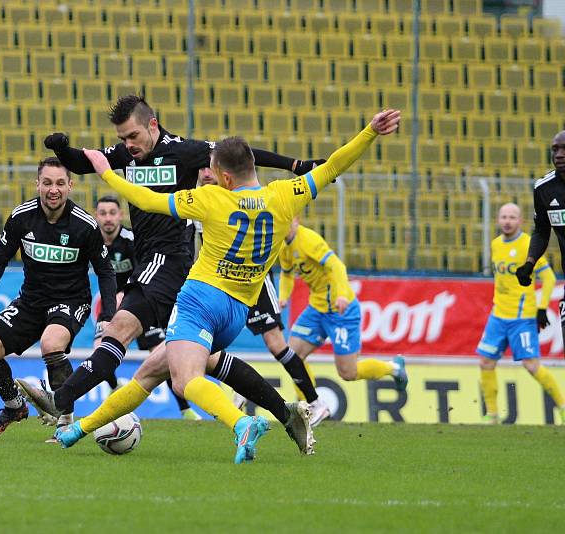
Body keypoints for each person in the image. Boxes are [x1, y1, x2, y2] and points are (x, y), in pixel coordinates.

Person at [40, 110, 401, 463]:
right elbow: (335, 164)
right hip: (237, 311)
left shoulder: (211, 200)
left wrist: (107, 174)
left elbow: (146, 200)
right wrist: (369, 132)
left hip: (201, 300)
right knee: (151, 371)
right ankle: (78, 430)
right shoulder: (285, 196)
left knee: (185, 380)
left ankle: (241, 422)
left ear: (224, 177)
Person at [31, 94, 324, 421]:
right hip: (155, 263)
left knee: (120, 328)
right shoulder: (126, 156)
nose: (128, 144)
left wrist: (295, 166)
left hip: (168, 258)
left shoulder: (184, 151)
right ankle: (287, 414)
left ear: (152, 125)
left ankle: (62, 399)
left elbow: (242, 157)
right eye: (122, 139)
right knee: (202, 359)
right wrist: (62, 150)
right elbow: (87, 161)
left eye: (133, 135)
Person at [0, 157, 117, 438]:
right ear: (37, 184)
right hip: (31, 302)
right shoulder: (21, 217)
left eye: (60, 183)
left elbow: (106, 272)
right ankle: (14, 406)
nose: (54, 190)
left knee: (51, 343)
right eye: (48, 183)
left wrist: (108, 315)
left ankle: (65, 421)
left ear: (70, 186)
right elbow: (0, 255)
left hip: (72, 301)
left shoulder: (85, 225)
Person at [196, 167, 328, 426]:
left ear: (223, 172)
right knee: (212, 338)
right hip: (223, 280)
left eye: (209, 167)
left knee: (276, 344)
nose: (205, 172)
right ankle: (235, 395)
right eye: (200, 168)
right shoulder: (203, 199)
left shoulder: (236, 194)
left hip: (253, 279)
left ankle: (315, 402)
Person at [95, 195, 201, 420]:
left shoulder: (131, 240)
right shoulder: (92, 240)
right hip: (112, 305)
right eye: (103, 213)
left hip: (141, 298)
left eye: (112, 213)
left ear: (121, 215)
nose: (108, 219)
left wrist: (125, 291)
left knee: (162, 354)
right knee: (99, 349)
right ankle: (115, 387)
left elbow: (145, 267)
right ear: (97, 216)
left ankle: (185, 409)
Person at [279, 217, 408, 397]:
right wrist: (283, 297)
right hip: (317, 308)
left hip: (341, 311)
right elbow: (286, 274)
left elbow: (336, 265)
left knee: (348, 372)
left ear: (296, 221)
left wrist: (340, 294)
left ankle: (394, 368)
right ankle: (309, 406)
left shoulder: (308, 239)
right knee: (292, 355)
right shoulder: (283, 247)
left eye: (284, 220)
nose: (280, 224)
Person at [478, 203, 564, 424]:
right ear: (498, 220)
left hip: (522, 318)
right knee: (486, 362)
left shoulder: (528, 244)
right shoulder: (496, 245)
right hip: (498, 315)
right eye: (504, 216)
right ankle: (493, 415)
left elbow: (549, 279)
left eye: (512, 217)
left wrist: (542, 308)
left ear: (520, 221)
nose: (507, 221)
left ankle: (563, 406)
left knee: (531, 365)